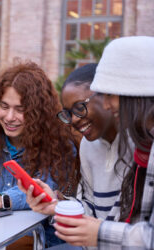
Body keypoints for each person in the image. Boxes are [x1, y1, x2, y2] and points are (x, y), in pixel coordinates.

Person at [0, 61, 78, 246]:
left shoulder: (60, 145)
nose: (9, 117)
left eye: (20, 110)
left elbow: (40, 190)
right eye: (4, 106)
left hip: (31, 242)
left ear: (39, 112)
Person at [54, 36, 154, 248]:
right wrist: (56, 205)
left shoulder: (141, 145)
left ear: (137, 90)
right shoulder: (144, 145)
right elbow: (117, 215)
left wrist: (99, 233)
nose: (107, 104)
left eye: (110, 94)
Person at [19, 64, 133, 223]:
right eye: (69, 113)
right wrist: (56, 205)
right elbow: (90, 209)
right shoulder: (88, 146)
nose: (74, 119)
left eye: (79, 107)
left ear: (108, 97)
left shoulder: (139, 143)